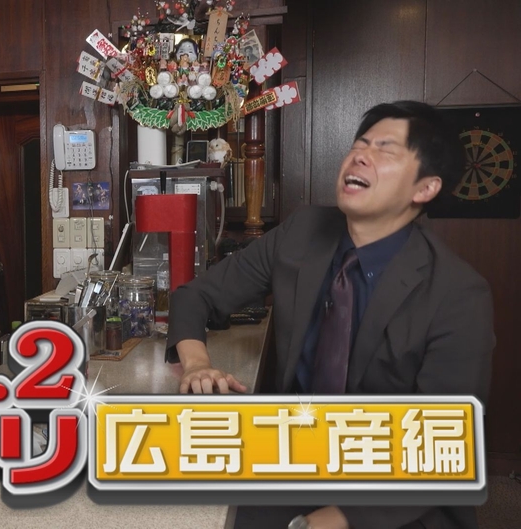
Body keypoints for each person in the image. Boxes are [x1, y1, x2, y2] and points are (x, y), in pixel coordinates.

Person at [166, 101, 494, 529]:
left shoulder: (457, 294)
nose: (361, 156)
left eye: (386, 149)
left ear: (425, 188)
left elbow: (440, 445)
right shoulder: (303, 232)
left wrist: (325, 521)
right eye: (360, 143)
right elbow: (196, 296)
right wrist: (196, 364)